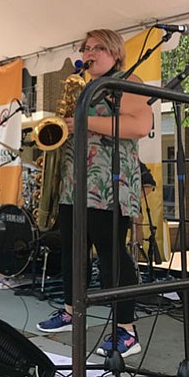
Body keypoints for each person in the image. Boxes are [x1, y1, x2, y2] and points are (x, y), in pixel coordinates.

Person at [36, 29, 152, 358]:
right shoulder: (87, 86)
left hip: (109, 187)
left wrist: (83, 121)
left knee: (112, 253)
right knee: (74, 251)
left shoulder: (127, 80)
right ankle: (72, 310)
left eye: (99, 48)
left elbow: (140, 126)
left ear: (115, 53)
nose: (91, 53)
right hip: (77, 183)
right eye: (87, 48)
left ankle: (127, 331)